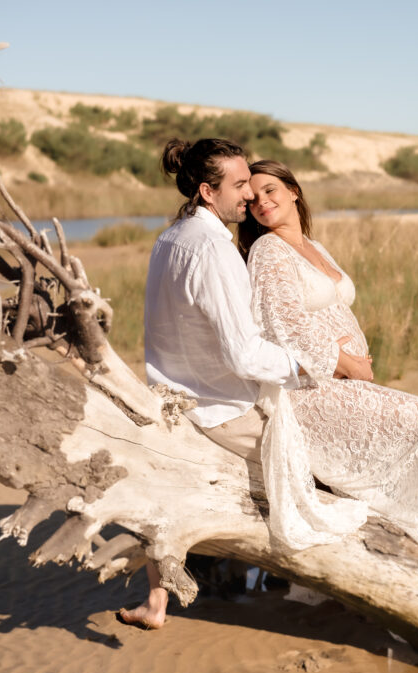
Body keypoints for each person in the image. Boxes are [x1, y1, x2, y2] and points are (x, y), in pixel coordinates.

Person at [237, 159, 418, 606]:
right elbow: (283, 326)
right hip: (310, 392)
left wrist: (355, 364)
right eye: (253, 197)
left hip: (343, 382)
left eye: (271, 190)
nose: (262, 202)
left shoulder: (312, 245)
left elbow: (327, 309)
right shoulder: (268, 251)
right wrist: (346, 363)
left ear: (294, 191)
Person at [119, 138, 370, 629]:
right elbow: (244, 353)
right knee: (332, 465)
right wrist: (321, 366)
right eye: (238, 186)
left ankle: (184, 590)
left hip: (175, 391)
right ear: (207, 191)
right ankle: (329, 586)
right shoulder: (213, 249)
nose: (249, 198)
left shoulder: (172, 236)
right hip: (221, 404)